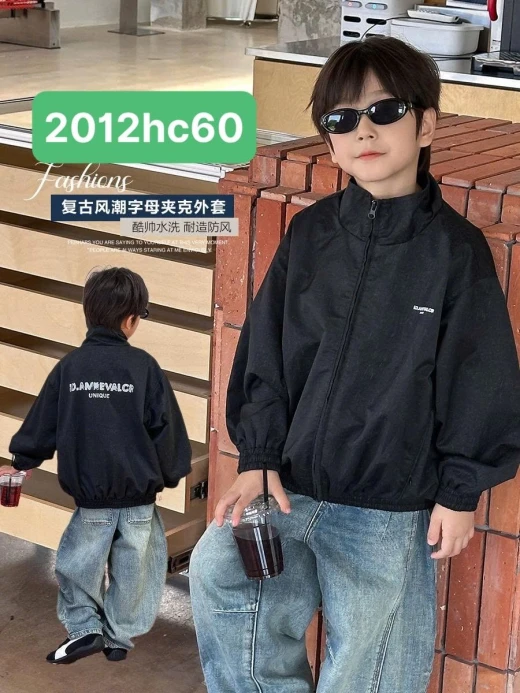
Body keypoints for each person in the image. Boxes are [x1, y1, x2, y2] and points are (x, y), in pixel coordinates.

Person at [188, 36, 520, 693]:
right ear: (331, 142)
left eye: (384, 111)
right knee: (219, 570)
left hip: (384, 508)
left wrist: (460, 491)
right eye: (340, 119)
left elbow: (478, 378)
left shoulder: (455, 253)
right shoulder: (311, 235)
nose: (362, 131)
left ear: (426, 125)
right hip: (287, 486)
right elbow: (266, 351)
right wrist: (258, 456)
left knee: (370, 664)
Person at [1, 267, 192, 665]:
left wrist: (22, 462)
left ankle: (85, 627)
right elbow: (166, 427)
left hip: (92, 500)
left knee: (78, 564)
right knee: (136, 569)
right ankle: (118, 637)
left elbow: (43, 422)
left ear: (87, 313)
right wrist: (171, 472)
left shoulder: (70, 368)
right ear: (131, 320)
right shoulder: (144, 367)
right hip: (139, 500)